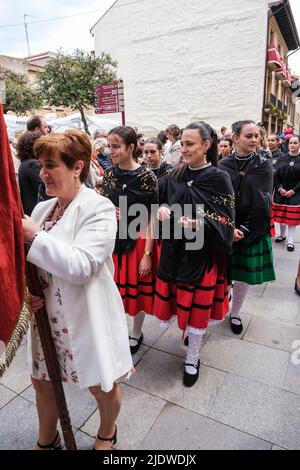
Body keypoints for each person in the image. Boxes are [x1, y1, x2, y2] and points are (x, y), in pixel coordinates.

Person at [22, 129, 133, 451]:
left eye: (50, 165)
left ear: (77, 167)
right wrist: (27, 292)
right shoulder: (43, 210)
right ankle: (47, 439)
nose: (42, 174)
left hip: (85, 314)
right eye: (41, 165)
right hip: (48, 318)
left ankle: (107, 432)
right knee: (42, 381)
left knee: (101, 386)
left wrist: (34, 236)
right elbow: (29, 262)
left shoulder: (98, 209)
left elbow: (82, 266)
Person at [153, 121, 235, 387]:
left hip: (204, 257)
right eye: (183, 144)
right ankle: (187, 335)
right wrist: (163, 209)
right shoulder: (174, 174)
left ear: (206, 145)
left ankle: (193, 356)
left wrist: (201, 224)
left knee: (198, 313)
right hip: (175, 252)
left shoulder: (219, 178)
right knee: (180, 303)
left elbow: (226, 221)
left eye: (190, 144)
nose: (184, 149)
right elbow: (160, 203)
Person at [100, 126, 159, 355]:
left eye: (115, 146)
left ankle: (136, 333)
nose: (110, 151)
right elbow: (103, 204)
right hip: (111, 242)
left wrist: (147, 255)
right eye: (109, 146)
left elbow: (152, 218)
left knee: (137, 294)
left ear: (131, 147)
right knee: (113, 292)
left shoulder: (147, 177)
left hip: (137, 243)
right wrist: (106, 210)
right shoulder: (109, 174)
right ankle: (116, 330)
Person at [219, 120, 275, 335]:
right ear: (235, 138)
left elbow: (262, 201)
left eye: (256, 136)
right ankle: (223, 302)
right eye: (248, 136)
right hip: (226, 228)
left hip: (253, 226)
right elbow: (219, 200)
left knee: (242, 276)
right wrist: (227, 228)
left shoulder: (263, 164)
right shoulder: (222, 164)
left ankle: (235, 313)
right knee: (224, 273)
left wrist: (244, 228)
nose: (254, 140)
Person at [273, 135, 300, 252]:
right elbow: (275, 175)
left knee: (291, 217)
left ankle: (290, 240)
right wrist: (279, 188)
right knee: (281, 214)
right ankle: (282, 235)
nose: (292, 145)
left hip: (295, 191)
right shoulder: (282, 158)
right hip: (281, 190)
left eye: (295, 143)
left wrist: (293, 190)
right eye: (290, 143)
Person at [17, 131, 45, 215]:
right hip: (37, 211)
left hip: (31, 210)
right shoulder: (33, 164)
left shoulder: (25, 164)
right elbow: (45, 187)